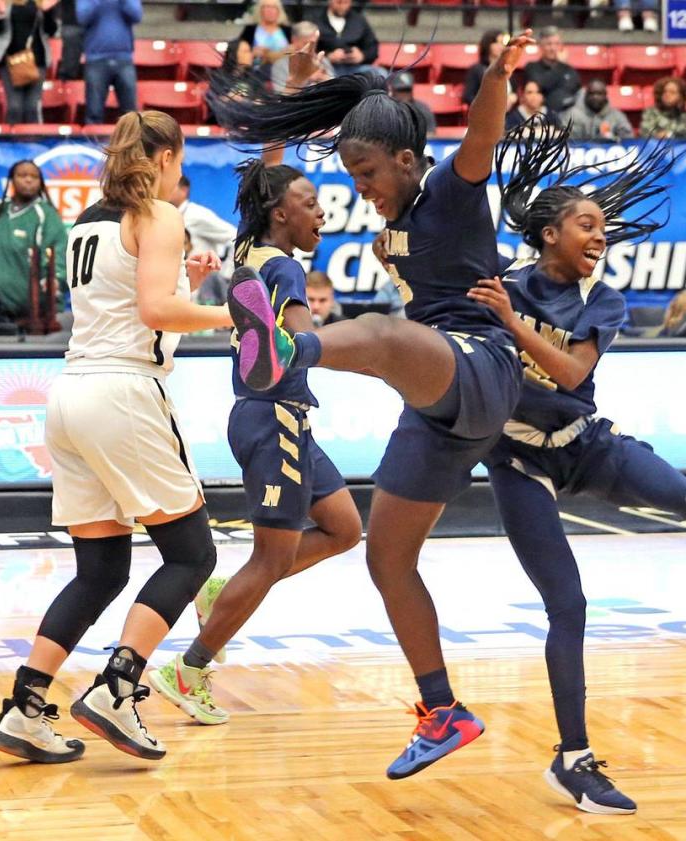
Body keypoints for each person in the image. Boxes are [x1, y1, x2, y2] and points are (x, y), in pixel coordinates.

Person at [464, 116, 686, 814]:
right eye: (588, 225)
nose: (601, 236)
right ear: (549, 234)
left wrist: (511, 324)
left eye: (603, 227)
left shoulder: (602, 299)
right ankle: (572, 758)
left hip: (585, 441)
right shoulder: (502, 281)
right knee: (567, 605)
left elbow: (571, 375)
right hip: (515, 460)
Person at [209, 34, 532, 778]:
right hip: (439, 402)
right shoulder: (397, 223)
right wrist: (294, 86)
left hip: (481, 365)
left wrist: (495, 74)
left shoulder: (450, 188)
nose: (360, 189)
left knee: (386, 335)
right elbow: (274, 184)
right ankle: (443, 709)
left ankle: (292, 350)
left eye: (366, 174)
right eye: (351, 175)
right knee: (386, 557)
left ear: (408, 161)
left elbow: (483, 132)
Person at [0, 111, 234, 764]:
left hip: (69, 394)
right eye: (179, 161)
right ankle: (117, 688)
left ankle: (25, 706)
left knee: (100, 571)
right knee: (192, 554)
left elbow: (133, 303)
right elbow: (153, 312)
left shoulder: (88, 221)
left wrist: (194, 289)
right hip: (123, 393)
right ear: (169, 156)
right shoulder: (160, 213)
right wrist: (233, 313)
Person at [147, 155, 362, 719]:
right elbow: (306, 334)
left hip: (276, 416)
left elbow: (260, 181)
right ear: (279, 211)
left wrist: (289, 96)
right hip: (275, 418)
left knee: (345, 528)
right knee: (272, 560)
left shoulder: (251, 252)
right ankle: (188, 669)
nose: (320, 211)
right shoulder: (287, 271)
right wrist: (374, 342)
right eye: (309, 202)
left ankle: (222, 591)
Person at [0, 159, 68, 327]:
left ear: (41, 182)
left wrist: (53, 300)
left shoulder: (46, 216)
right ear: (11, 179)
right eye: (22, 175)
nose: (28, 180)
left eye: (34, 176)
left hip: (24, 316)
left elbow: (58, 262)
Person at [0, 0, 59, 125]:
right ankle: (12, 142)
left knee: (32, 107)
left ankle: (34, 141)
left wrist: (46, 12)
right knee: (14, 107)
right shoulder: (4, 2)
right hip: (10, 61)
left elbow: (51, 30)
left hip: (37, 60)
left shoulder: (42, 2)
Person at [77, 0, 141, 125]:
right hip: (96, 60)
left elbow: (136, 15)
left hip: (124, 59)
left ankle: (132, 144)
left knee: (131, 114)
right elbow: (83, 18)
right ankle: (92, 143)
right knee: (94, 112)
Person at [169, 174, 236, 260]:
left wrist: (226, 271)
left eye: (172, 186)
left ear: (184, 190)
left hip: (203, 272)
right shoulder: (171, 216)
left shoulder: (196, 214)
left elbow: (233, 236)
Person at [311, 0, 379, 78]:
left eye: (346, 2)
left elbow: (373, 47)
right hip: (327, 68)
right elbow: (308, 47)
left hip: (355, 68)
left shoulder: (359, 20)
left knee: (380, 73)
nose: (342, 6)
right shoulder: (316, 20)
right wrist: (328, 56)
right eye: (339, 2)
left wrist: (362, 56)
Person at [523, 26, 580, 114]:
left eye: (557, 44)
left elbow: (576, 90)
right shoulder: (532, 67)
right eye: (549, 44)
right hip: (541, 115)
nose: (553, 48)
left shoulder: (569, 69)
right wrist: (559, 66)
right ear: (541, 46)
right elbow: (540, 86)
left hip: (569, 115)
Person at [232, 0, 291, 79]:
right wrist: (253, 53)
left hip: (284, 74)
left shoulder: (287, 30)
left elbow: (293, 52)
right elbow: (243, 54)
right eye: (267, 7)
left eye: (274, 7)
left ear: (279, 11)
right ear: (260, 10)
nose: (270, 10)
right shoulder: (250, 30)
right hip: (256, 73)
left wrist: (268, 54)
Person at [270, 20, 333, 93]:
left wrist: (325, 79)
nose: (311, 48)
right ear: (294, 40)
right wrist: (306, 79)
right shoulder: (280, 65)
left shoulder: (323, 60)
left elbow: (336, 88)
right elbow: (281, 95)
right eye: (306, 43)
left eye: (314, 44)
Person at [566, 79, 634, 141]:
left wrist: (613, 139)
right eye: (591, 93)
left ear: (605, 95)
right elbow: (567, 140)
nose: (595, 97)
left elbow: (628, 140)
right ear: (586, 95)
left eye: (599, 94)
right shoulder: (573, 115)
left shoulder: (617, 116)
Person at [463, 30, 515, 108]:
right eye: (496, 42)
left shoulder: (507, 67)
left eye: (502, 43)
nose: (500, 46)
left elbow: (514, 91)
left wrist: (513, 97)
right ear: (487, 45)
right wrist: (487, 106)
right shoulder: (476, 69)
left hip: (508, 114)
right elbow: (468, 96)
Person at [389, 71, 435, 135]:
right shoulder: (386, 110)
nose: (405, 94)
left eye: (407, 90)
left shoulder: (422, 109)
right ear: (393, 91)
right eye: (401, 90)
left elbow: (430, 135)